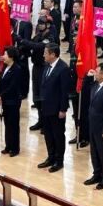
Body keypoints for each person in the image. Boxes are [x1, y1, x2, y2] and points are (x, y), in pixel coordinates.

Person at [37, 43, 70, 172]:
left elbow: (64, 91)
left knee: (58, 135)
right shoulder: (47, 66)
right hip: (46, 107)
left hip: (57, 109)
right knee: (48, 134)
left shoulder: (63, 68)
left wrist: (63, 109)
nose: (43, 55)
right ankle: (50, 157)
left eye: (46, 53)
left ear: (53, 54)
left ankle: (59, 161)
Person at [0, 47, 28, 156]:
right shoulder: (6, 67)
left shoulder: (17, 69)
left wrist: (1, 95)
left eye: (5, 54)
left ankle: (15, 148)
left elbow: (13, 86)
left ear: (11, 57)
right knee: (7, 124)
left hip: (13, 101)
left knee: (13, 125)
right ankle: (8, 146)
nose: (3, 56)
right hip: (5, 101)